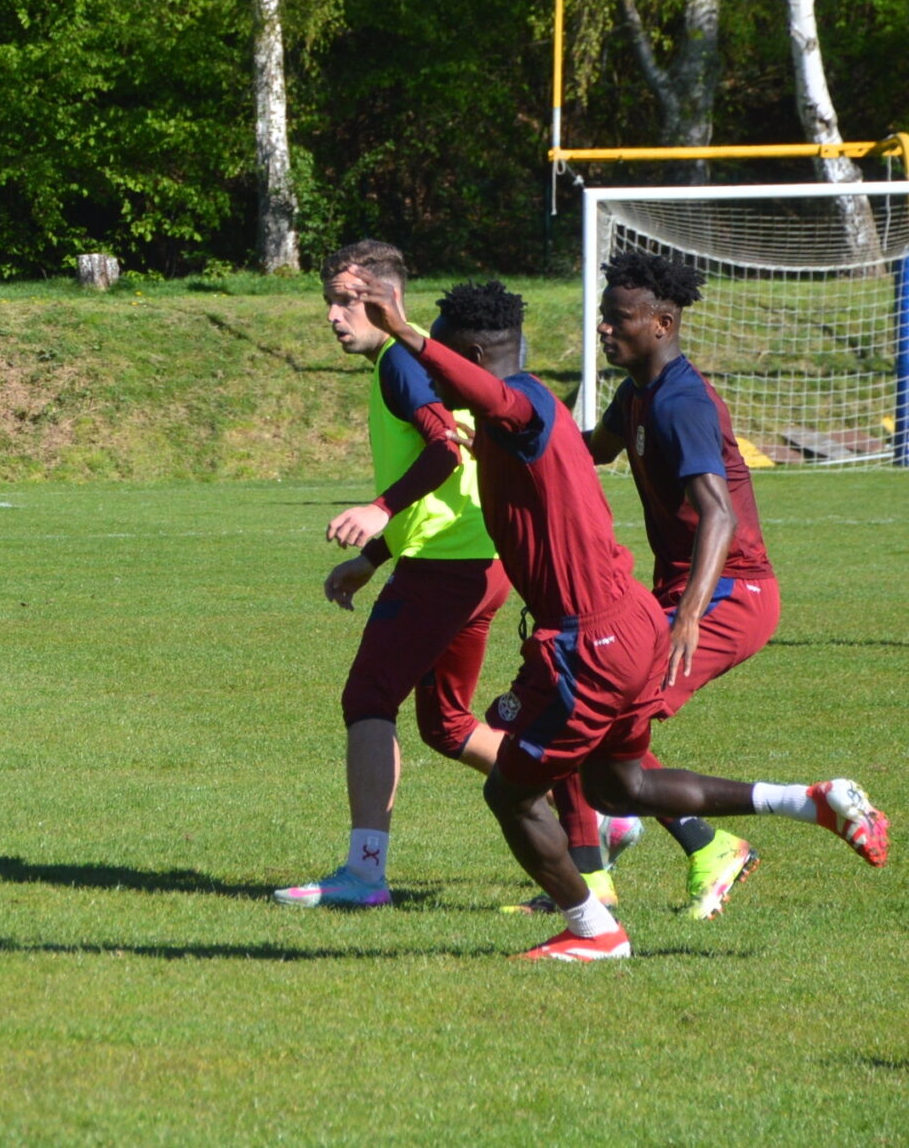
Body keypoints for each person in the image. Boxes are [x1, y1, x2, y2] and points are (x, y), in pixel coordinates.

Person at [332, 266, 886, 961]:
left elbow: (710, 508)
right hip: (621, 621)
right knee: (615, 780)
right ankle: (808, 801)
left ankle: (594, 925)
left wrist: (406, 332)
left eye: (440, 359)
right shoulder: (546, 408)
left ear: (469, 361)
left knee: (510, 790)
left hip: (595, 640)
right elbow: (561, 446)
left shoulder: (525, 407)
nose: (429, 380)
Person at [518, 251, 779, 920]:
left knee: (588, 705)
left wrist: (691, 614)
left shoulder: (682, 403)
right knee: (581, 698)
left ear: (662, 323)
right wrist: (511, 442)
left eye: (618, 318)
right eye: (605, 317)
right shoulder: (637, 393)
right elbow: (589, 450)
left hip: (729, 593)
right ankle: (656, 850)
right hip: (677, 592)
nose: (605, 329)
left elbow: (717, 513)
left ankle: (653, 857)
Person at [276, 242, 509, 909]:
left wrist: (379, 511)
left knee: (368, 697)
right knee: (449, 725)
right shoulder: (415, 358)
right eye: (330, 299)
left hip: (446, 568)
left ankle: (364, 873)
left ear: (386, 300)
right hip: (475, 560)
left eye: (347, 299)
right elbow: (452, 466)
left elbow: (445, 447)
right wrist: (374, 558)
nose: (332, 314)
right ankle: (590, 815)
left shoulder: (401, 362)